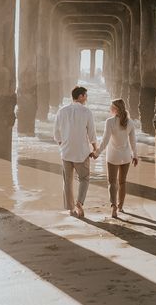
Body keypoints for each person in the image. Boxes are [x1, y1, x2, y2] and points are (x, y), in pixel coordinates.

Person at [54, 86, 97, 218]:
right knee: (84, 179)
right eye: (85, 95)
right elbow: (92, 133)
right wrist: (95, 148)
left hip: (66, 152)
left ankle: (71, 209)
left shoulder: (62, 111)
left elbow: (56, 132)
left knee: (67, 180)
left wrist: (62, 144)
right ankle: (79, 203)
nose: (86, 98)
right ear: (80, 97)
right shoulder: (87, 112)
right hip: (81, 152)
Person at [92, 99, 138, 218]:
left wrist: (97, 153)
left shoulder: (110, 122)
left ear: (116, 109)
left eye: (111, 107)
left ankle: (114, 207)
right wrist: (135, 155)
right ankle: (121, 206)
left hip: (113, 156)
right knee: (122, 182)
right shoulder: (130, 122)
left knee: (112, 182)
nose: (109, 109)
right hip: (126, 156)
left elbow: (105, 140)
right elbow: (133, 142)